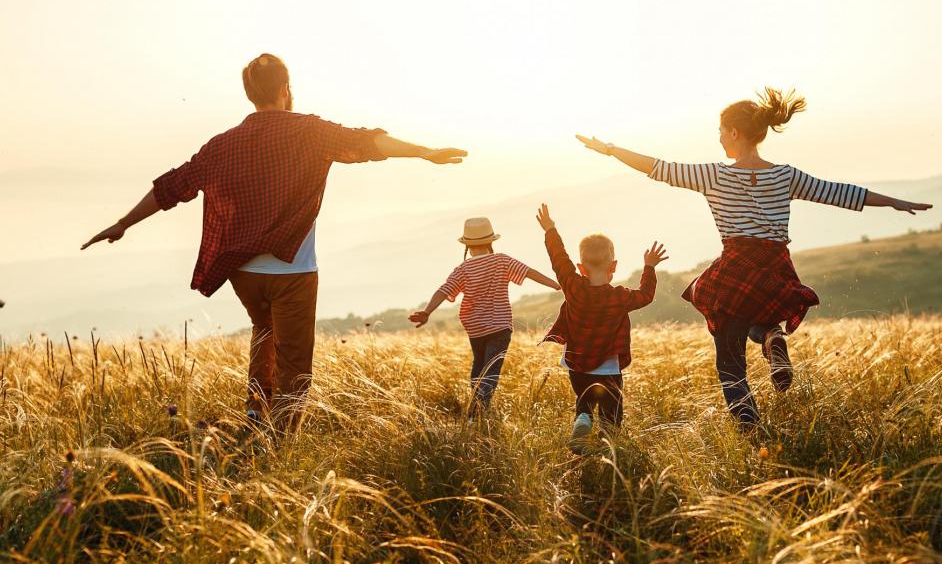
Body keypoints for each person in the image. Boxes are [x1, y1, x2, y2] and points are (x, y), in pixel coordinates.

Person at [81, 53, 467, 434]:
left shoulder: (222, 145)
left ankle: (255, 415)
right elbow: (367, 142)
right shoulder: (310, 131)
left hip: (243, 272)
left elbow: (172, 187)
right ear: (285, 88)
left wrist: (123, 223)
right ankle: (280, 440)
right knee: (294, 362)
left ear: (251, 94)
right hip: (293, 272)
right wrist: (424, 152)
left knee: (263, 332)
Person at [576, 87, 932, 428]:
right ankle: (771, 336)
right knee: (756, 315)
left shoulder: (714, 175)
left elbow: (658, 167)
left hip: (736, 267)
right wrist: (894, 201)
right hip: (776, 267)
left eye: (720, 131)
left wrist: (610, 150)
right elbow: (838, 192)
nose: (719, 138)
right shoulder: (785, 175)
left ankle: (750, 428)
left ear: (734, 132)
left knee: (729, 361)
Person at [535, 203, 667, 452]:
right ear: (613, 266)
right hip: (608, 367)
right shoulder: (619, 297)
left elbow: (559, 259)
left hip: (577, 364)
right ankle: (607, 446)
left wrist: (550, 230)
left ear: (580, 268)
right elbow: (646, 295)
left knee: (584, 399)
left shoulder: (573, 286)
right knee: (611, 411)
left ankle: (583, 418)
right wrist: (649, 267)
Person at [409, 217, 560, 418]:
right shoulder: (502, 261)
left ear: (467, 245)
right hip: (500, 327)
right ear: (490, 241)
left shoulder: (463, 269)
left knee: (479, 367)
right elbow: (529, 272)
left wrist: (427, 312)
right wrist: (556, 284)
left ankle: (475, 412)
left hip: (475, 329)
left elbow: (443, 291)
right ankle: (477, 413)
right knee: (491, 371)